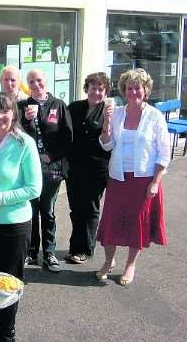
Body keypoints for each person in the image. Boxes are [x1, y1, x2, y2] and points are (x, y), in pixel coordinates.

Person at [0, 92, 41, 342]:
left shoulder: (24, 143)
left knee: (10, 282)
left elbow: (34, 188)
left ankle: (6, 332)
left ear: (14, 113)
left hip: (14, 223)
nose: (0, 116)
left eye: (5, 111)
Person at [96, 68, 170, 286]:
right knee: (111, 221)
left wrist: (155, 182)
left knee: (137, 225)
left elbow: (164, 152)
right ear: (124, 91)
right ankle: (108, 261)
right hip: (118, 177)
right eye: (129, 88)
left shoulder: (154, 116)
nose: (133, 92)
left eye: (137, 87)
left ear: (145, 90)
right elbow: (107, 145)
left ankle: (130, 265)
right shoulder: (117, 112)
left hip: (143, 179)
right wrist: (107, 124)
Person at [18, 69, 73, 272]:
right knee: (31, 211)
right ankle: (32, 252)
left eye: (39, 80)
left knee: (47, 211)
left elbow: (68, 136)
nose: (36, 85)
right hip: (29, 168)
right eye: (31, 82)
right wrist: (26, 120)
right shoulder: (22, 106)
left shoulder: (58, 105)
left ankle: (49, 253)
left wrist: (52, 155)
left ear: (46, 81)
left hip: (52, 168)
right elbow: (17, 135)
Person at [64, 72, 111, 264]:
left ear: (106, 91)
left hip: (97, 169)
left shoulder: (108, 111)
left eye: (101, 89)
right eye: (94, 88)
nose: (97, 92)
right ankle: (75, 246)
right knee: (76, 209)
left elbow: (111, 139)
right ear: (87, 88)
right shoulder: (75, 107)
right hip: (74, 168)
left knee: (90, 208)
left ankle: (86, 249)